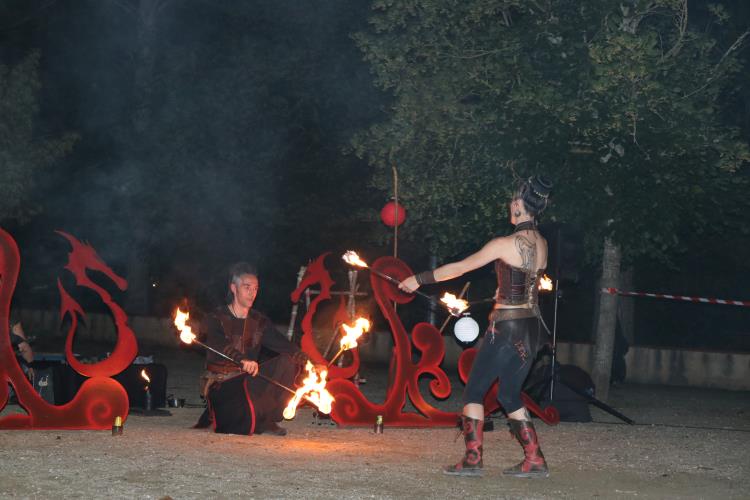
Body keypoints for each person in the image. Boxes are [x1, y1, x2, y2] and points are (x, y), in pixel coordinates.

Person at [399, 175, 553, 478]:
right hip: (532, 329)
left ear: (521, 205)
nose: (510, 205)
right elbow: (525, 284)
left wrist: (419, 279)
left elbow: (460, 268)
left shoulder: (504, 243)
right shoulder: (543, 244)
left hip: (507, 329)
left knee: (474, 391)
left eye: (513, 200)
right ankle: (534, 459)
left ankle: (473, 459)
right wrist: (503, 293)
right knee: (509, 395)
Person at [195, 262, 310, 436]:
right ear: (233, 288)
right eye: (247, 287)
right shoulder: (215, 318)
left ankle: (268, 417)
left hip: (248, 381)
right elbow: (217, 343)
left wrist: (308, 361)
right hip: (223, 383)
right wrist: (241, 360)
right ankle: (256, 417)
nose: (252, 293)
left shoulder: (259, 321)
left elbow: (282, 344)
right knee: (244, 418)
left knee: (287, 362)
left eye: (255, 288)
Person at [10, 311, 34, 383]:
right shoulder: (11, 321)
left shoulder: (11, 321)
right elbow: (24, 347)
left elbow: (24, 347)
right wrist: (30, 366)